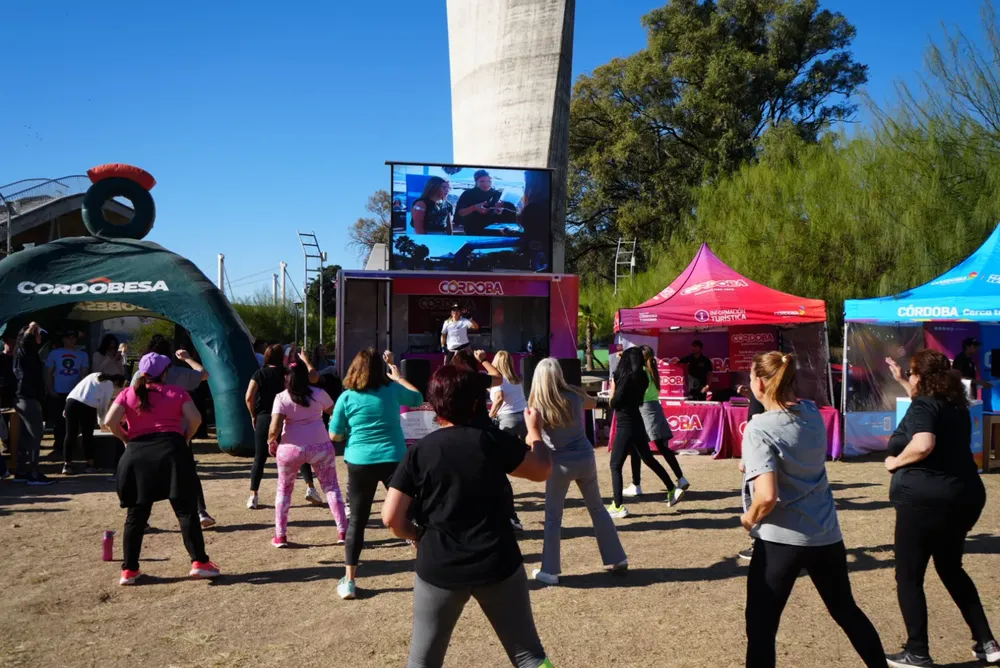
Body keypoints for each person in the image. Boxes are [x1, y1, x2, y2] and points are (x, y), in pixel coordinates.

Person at [381, 364, 555, 668]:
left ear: (435, 404)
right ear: (476, 403)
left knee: (422, 661)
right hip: (498, 562)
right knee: (529, 656)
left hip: (439, 566)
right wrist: (535, 433)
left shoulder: (420, 451)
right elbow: (542, 470)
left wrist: (417, 535)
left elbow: (391, 518)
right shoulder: (490, 441)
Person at [741, 351, 884, 667]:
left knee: (762, 628)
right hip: (825, 535)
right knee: (846, 611)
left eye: (751, 377)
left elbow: (766, 496)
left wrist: (748, 519)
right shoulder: (812, 413)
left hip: (781, 542)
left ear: (761, 383)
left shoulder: (759, 428)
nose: (749, 384)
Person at [884, 350, 1000, 667]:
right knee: (950, 567)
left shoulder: (924, 406)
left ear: (921, 376)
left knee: (909, 577)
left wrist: (895, 461)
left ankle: (917, 651)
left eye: (911, 373)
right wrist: (902, 381)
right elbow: (924, 402)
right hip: (963, 496)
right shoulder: (954, 405)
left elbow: (923, 443)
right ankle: (987, 642)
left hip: (925, 500)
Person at [105, 352, 221, 585]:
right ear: (165, 372)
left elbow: (109, 421)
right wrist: (184, 438)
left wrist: (127, 439)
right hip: (172, 452)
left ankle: (129, 570)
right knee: (186, 510)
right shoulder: (177, 392)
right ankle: (199, 563)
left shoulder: (128, 393)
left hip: (137, 455)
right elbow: (196, 419)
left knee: (136, 515)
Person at [330, 348, 424, 600]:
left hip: (360, 462)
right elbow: (417, 397)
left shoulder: (346, 397)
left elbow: (334, 435)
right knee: (413, 509)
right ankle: (427, 564)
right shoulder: (392, 390)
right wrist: (398, 376)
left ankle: (349, 580)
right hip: (394, 458)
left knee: (358, 522)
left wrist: (349, 435)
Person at [528, 358, 627, 585]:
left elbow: (532, 439)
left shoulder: (537, 406)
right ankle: (618, 558)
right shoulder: (574, 396)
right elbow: (595, 403)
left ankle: (550, 570)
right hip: (585, 459)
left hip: (559, 464)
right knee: (597, 508)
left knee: (553, 518)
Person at [131, 337, 217, 527]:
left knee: (147, 477)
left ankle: (140, 520)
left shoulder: (139, 376)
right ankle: (200, 511)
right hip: (176, 433)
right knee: (187, 474)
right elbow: (203, 374)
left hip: (146, 433)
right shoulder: (177, 376)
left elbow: (130, 401)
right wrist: (187, 358)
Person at [268, 351, 348, 548]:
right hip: (320, 446)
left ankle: (280, 535)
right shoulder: (319, 394)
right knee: (331, 487)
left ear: (287, 378)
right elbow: (335, 412)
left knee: (284, 490)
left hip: (290, 448)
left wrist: (271, 441)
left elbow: (275, 427)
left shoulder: (281, 397)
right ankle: (343, 531)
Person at [607, 347, 682, 518]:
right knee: (647, 457)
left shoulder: (622, 379)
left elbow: (614, 403)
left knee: (615, 465)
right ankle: (671, 488)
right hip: (638, 422)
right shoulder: (641, 378)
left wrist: (613, 388)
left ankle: (618, 506)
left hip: (625, 425)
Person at [624, 345, 690, 500]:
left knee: (638, 448)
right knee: (661, 447)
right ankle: (680, 478)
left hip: (644, 409)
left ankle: (637, 484)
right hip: (655, 407)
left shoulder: (641, 372)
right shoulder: (652, 370)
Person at [12, 323, 53, 485]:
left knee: (24, 437)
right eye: (38, 334)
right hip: (28, 399)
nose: (40, 338)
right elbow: (27, 339)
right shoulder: (25, 350)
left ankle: (21, 472)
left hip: (22, 398)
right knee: (36, 436)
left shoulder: (22, 352)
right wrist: (32, 326)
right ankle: (34, 473)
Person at [62, 372, 124, 473]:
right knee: (87, 435)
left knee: (70, 434)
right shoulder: (109, 385)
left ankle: (67, 464)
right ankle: (89, 464)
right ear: (117, 383)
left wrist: (66, 407)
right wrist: (102, 423)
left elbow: (77, 389)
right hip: (87, 406)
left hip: (71, 401)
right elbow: (103, 407)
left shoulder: (95, 375)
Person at [736, 382, 768, 562]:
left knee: (753, 498)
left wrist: (746, 458)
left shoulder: (760, 412)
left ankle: (759, 543)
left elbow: (757, 426)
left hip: (757, 460)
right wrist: (751, 397)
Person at [45, 330, 89, 461]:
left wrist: (81, 390)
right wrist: (50, 389)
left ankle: (72, 448)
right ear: (63, 339)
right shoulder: (54, 354)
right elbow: (48, 373)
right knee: (59, 422)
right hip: (58, 391)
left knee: (74, 422)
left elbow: (84, 373)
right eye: (68, 337)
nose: (71, 340)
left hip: (75, 394)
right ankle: (59, 447)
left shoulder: (82, 355)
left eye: (73, 337)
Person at [489, 350, 528, 439]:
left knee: (504, 449)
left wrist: (490, 416)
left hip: (509, 419)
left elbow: (499, 398)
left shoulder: (498, 379)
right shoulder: (515, 380)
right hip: (524, 418)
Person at [455, 169, 504, 237]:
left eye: (489, 181)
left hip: (495, 232)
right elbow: (459, 213)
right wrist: (474, 207)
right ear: (476, 181)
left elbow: (507, 214)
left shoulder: (498, 194)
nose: (486, 184)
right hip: (473, 231)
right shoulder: (468, 194)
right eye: (482, 181)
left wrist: (500, 211)